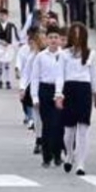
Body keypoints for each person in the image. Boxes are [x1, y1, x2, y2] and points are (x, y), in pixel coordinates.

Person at [55, 23, 96, 175]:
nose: (76, 37)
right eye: (73, 34)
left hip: (84, 91)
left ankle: (81, 163)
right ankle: (69, 154)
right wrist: (58, 94)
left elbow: (93, 77)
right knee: (68, 131)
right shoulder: (64, 54)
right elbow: (60, 75)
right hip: (69, 90)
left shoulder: (90, 54)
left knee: (83, 129)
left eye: (79, 34)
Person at [30, 25, 66, 167]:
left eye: (56, 37)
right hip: (45, 90)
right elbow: (35, 78)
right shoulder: (40, 56)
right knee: (47, 125)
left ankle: (57, 155)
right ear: (46, 39)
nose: (53, 40)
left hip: (59, 92)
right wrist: (35, 97)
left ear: (60, 39)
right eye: (50, 37)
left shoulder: (64, 55)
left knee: (58, 125)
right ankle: (46, 157)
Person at [0, 9, 19, 90]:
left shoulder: (12, 26)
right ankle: (0, 80)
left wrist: (13, 45)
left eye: (4, 15)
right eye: (0, 15)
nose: (2, 17)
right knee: (0, 64)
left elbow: (15, 37)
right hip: (0, 46)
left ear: (7, 16)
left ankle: (7, 80)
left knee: (7, 64)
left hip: (8, 47)